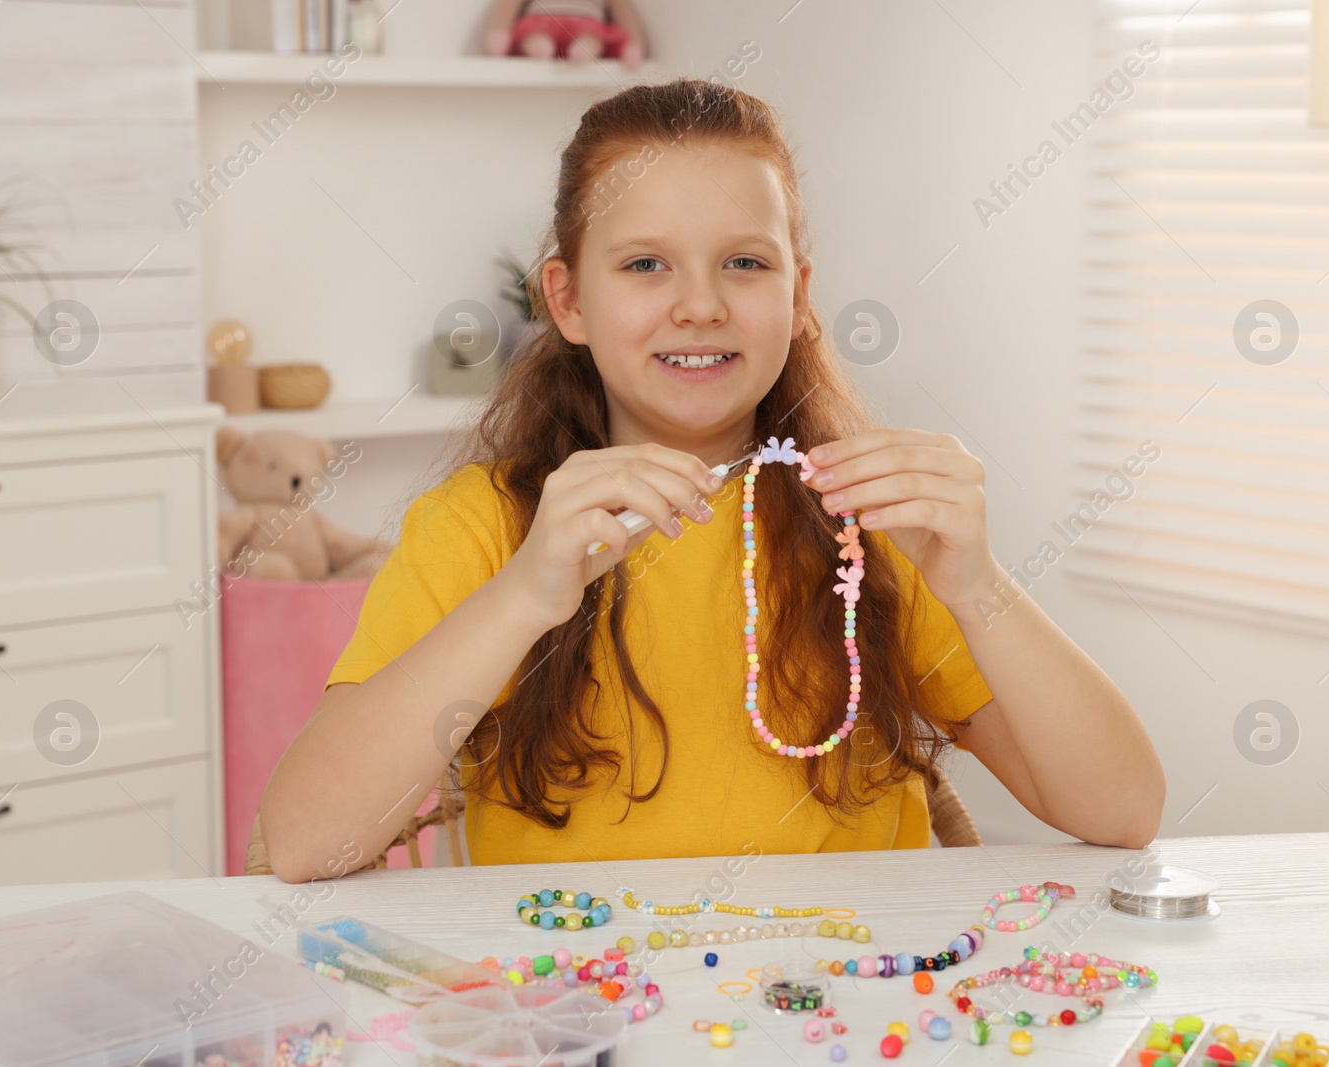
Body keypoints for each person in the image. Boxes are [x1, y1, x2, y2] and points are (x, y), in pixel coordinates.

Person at [260, 78, 1164, 881]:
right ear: (568, 300)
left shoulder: (870, 526)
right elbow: (306, 842)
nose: (700, 302)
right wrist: (524, 595)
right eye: (646, 264)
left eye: (745, 262)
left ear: (799, 297)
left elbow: (1121, 811)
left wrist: (979, 584)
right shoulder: (482, 526)